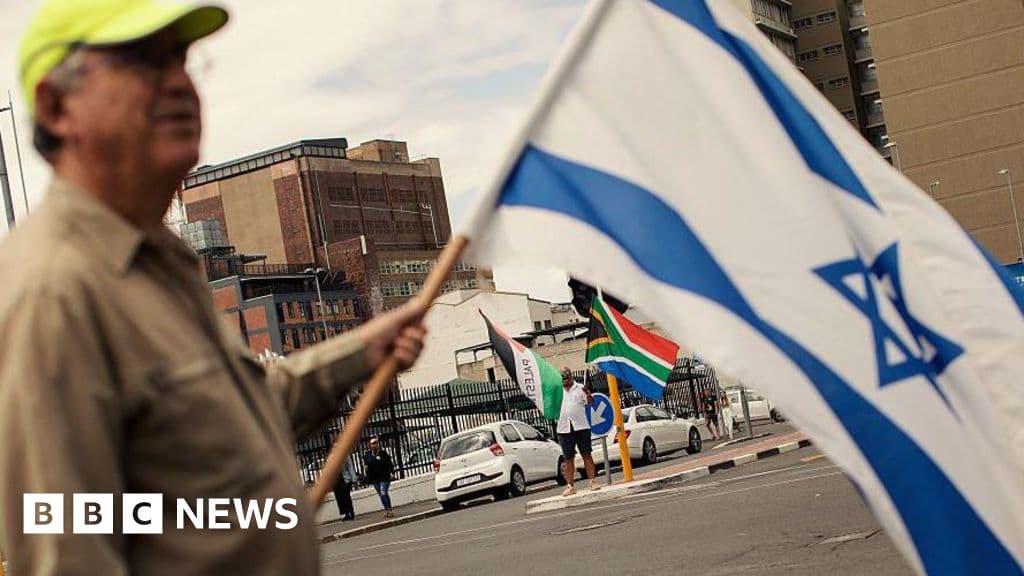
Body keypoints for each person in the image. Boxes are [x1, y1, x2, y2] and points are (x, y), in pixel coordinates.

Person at [0, 2, 428, 574]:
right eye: (145, 63)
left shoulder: (163, 262)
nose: (179, 84)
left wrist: (363, 351)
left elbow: (241, 414)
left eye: (181, 61)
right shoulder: (51, 292)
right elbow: (68, 536)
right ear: (56, 106)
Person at [557, 368, 599, 496]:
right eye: (563, 379)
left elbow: (591, 403)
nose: (565, 381)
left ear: (571, 377)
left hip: (581, 427)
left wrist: (588, 394)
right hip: (564, 428)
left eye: (567, 378)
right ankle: (570, 486)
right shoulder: (558, 391)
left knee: (586, 454)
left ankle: (592, 481)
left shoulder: (580, 388)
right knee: (568, 458)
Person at [364, 437, 395, 518]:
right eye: (372, 444)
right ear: (370, 445)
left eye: (375, 443)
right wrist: (366, 469)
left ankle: (390, 509)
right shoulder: (368, 455)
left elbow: (389, 463)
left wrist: (392, 472)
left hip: (384, 476)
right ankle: (387, 510)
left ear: (378, 444)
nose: (374, 445)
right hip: (375, 478)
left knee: (383, 492)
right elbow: (366, 465)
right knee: (381, 494)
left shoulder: (383, 453)